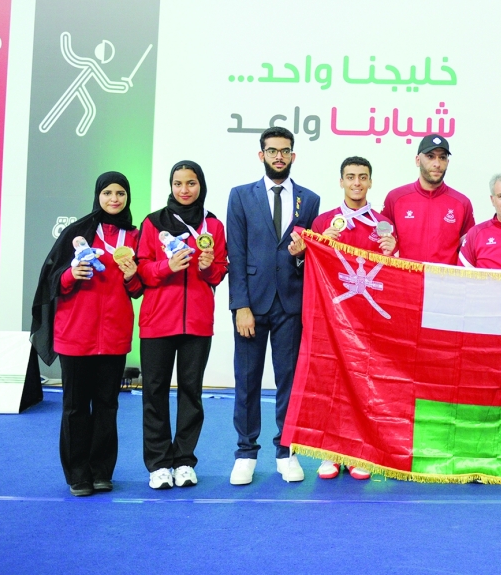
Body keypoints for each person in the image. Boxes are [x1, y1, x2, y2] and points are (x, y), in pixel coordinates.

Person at [29, 172, 141, 497]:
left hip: (114, 335)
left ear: (127, 197)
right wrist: (69, 275)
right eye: (108, 192)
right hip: (75, 336)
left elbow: (137, 289)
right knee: (76, 407)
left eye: (121, 192)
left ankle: (102, 471)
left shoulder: (134, 236)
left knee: (107, 406)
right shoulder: (77, 233)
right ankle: (78, 474)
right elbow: (53, 277)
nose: (114, 199)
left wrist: (133, 277)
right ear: (98, 195)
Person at [226, 127, 320, 485]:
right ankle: (245, 452)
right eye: (272, 150)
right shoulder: (241, 196)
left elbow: (309, 256)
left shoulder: (309, 200)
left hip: (292, 303)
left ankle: (287, 450)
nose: (278, 156)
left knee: (290, 381)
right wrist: (240, 306)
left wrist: (301, 256)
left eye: (285, 151)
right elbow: (236, 252)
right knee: (246, 380)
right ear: (261, 155)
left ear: (293, 156)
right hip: (252, 302)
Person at [137, 161, 228, 490]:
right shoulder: (153, 223)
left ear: (200, 185)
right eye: (178, 183)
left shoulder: (213, 225)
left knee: (192, 394)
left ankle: (185, 460)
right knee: (155, 393)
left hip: (198, 324)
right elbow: (141, 270)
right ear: (171, 186)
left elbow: (218, 271)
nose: (184, 189)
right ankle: (159, 463)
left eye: (191, 183)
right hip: (157, 321)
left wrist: (206, 267)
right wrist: (167, 266)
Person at [309, 156, 396, 480]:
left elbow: (391, 275)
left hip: (369, 318)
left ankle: (359, 451)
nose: (357, 182)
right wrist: (323, 242)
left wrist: (393, 253)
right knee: (331, 381)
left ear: (371, 181)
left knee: (364, 383)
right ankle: (330, 452)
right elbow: (309, 267)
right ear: (341, 181)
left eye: (362, 177)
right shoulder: (324, 222)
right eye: (350, 177)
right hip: (332, 317)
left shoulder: (383, 224)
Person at [381, 134, 474, 264]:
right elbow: (381, 242)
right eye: (430, 156)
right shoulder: (395, 198)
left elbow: (468, 252)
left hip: (445, 282)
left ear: (447, 162)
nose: (437, 164)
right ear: (418, 160)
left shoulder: (462, 203)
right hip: (405, 280)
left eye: (442, 157)